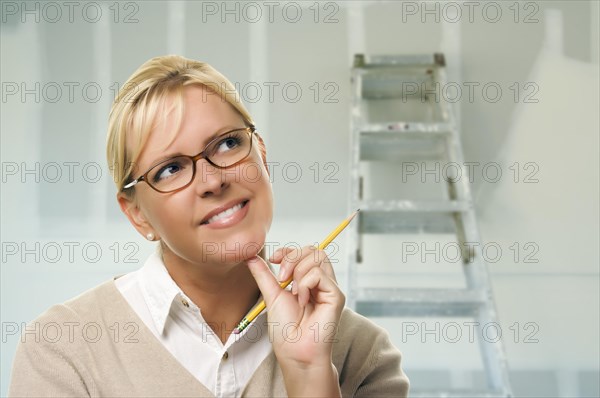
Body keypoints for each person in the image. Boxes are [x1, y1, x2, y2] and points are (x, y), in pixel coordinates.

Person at [9, 55, 410, 397]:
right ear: (137, 215)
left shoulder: (363, 354)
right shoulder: (64, 350)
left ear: (262, 156)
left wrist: (309, 378)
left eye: (227, 144)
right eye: (170, 169)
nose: (214, 180)